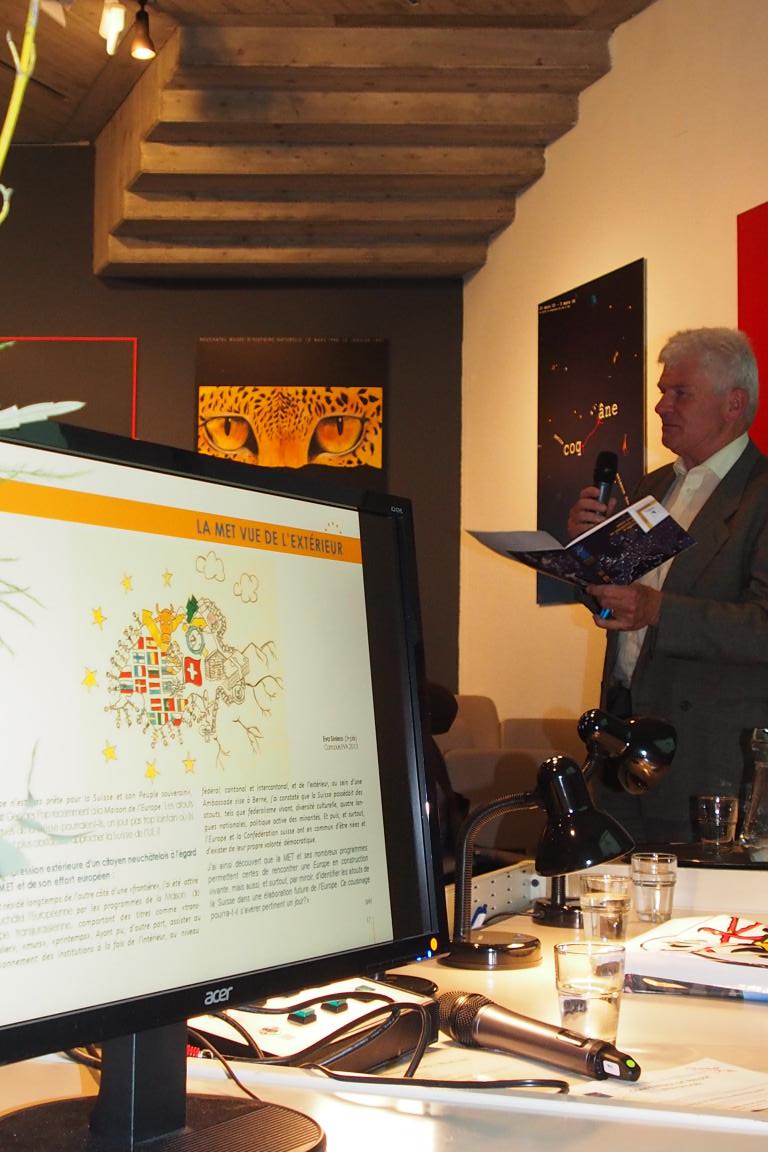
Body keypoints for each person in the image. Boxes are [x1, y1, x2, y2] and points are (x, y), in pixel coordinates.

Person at [567, 327, 768, 844]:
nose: (661, 406)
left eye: (680, 393)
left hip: (708, 760)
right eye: (662, 392)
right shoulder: (655, 486)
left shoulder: (761, 495)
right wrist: (588, 553)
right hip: (620, 741)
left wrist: (658, 610)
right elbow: (620, 601)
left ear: (733, 403)